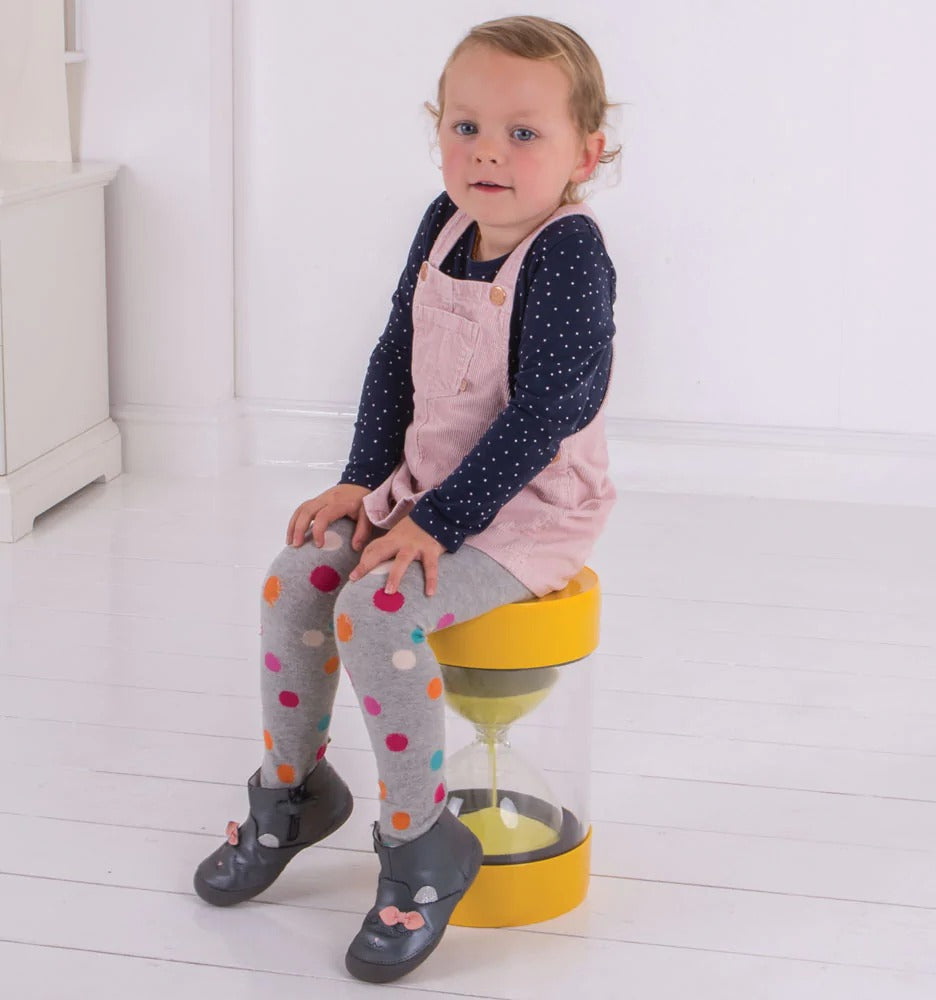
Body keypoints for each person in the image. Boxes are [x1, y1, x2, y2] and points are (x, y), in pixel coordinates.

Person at [193, 14, 620, 984]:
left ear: (586, 152)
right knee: (299, 574)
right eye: (464, 126)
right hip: (426, 489)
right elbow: (397, 356)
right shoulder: (444, 224)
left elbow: (548, 410)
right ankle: (293, 790)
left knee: (379, 610)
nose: (487, 153)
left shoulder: (567, 256)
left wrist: (439, 523)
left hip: (527, 509)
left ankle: (420, 838)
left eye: (523, 133)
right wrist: (362, 477)